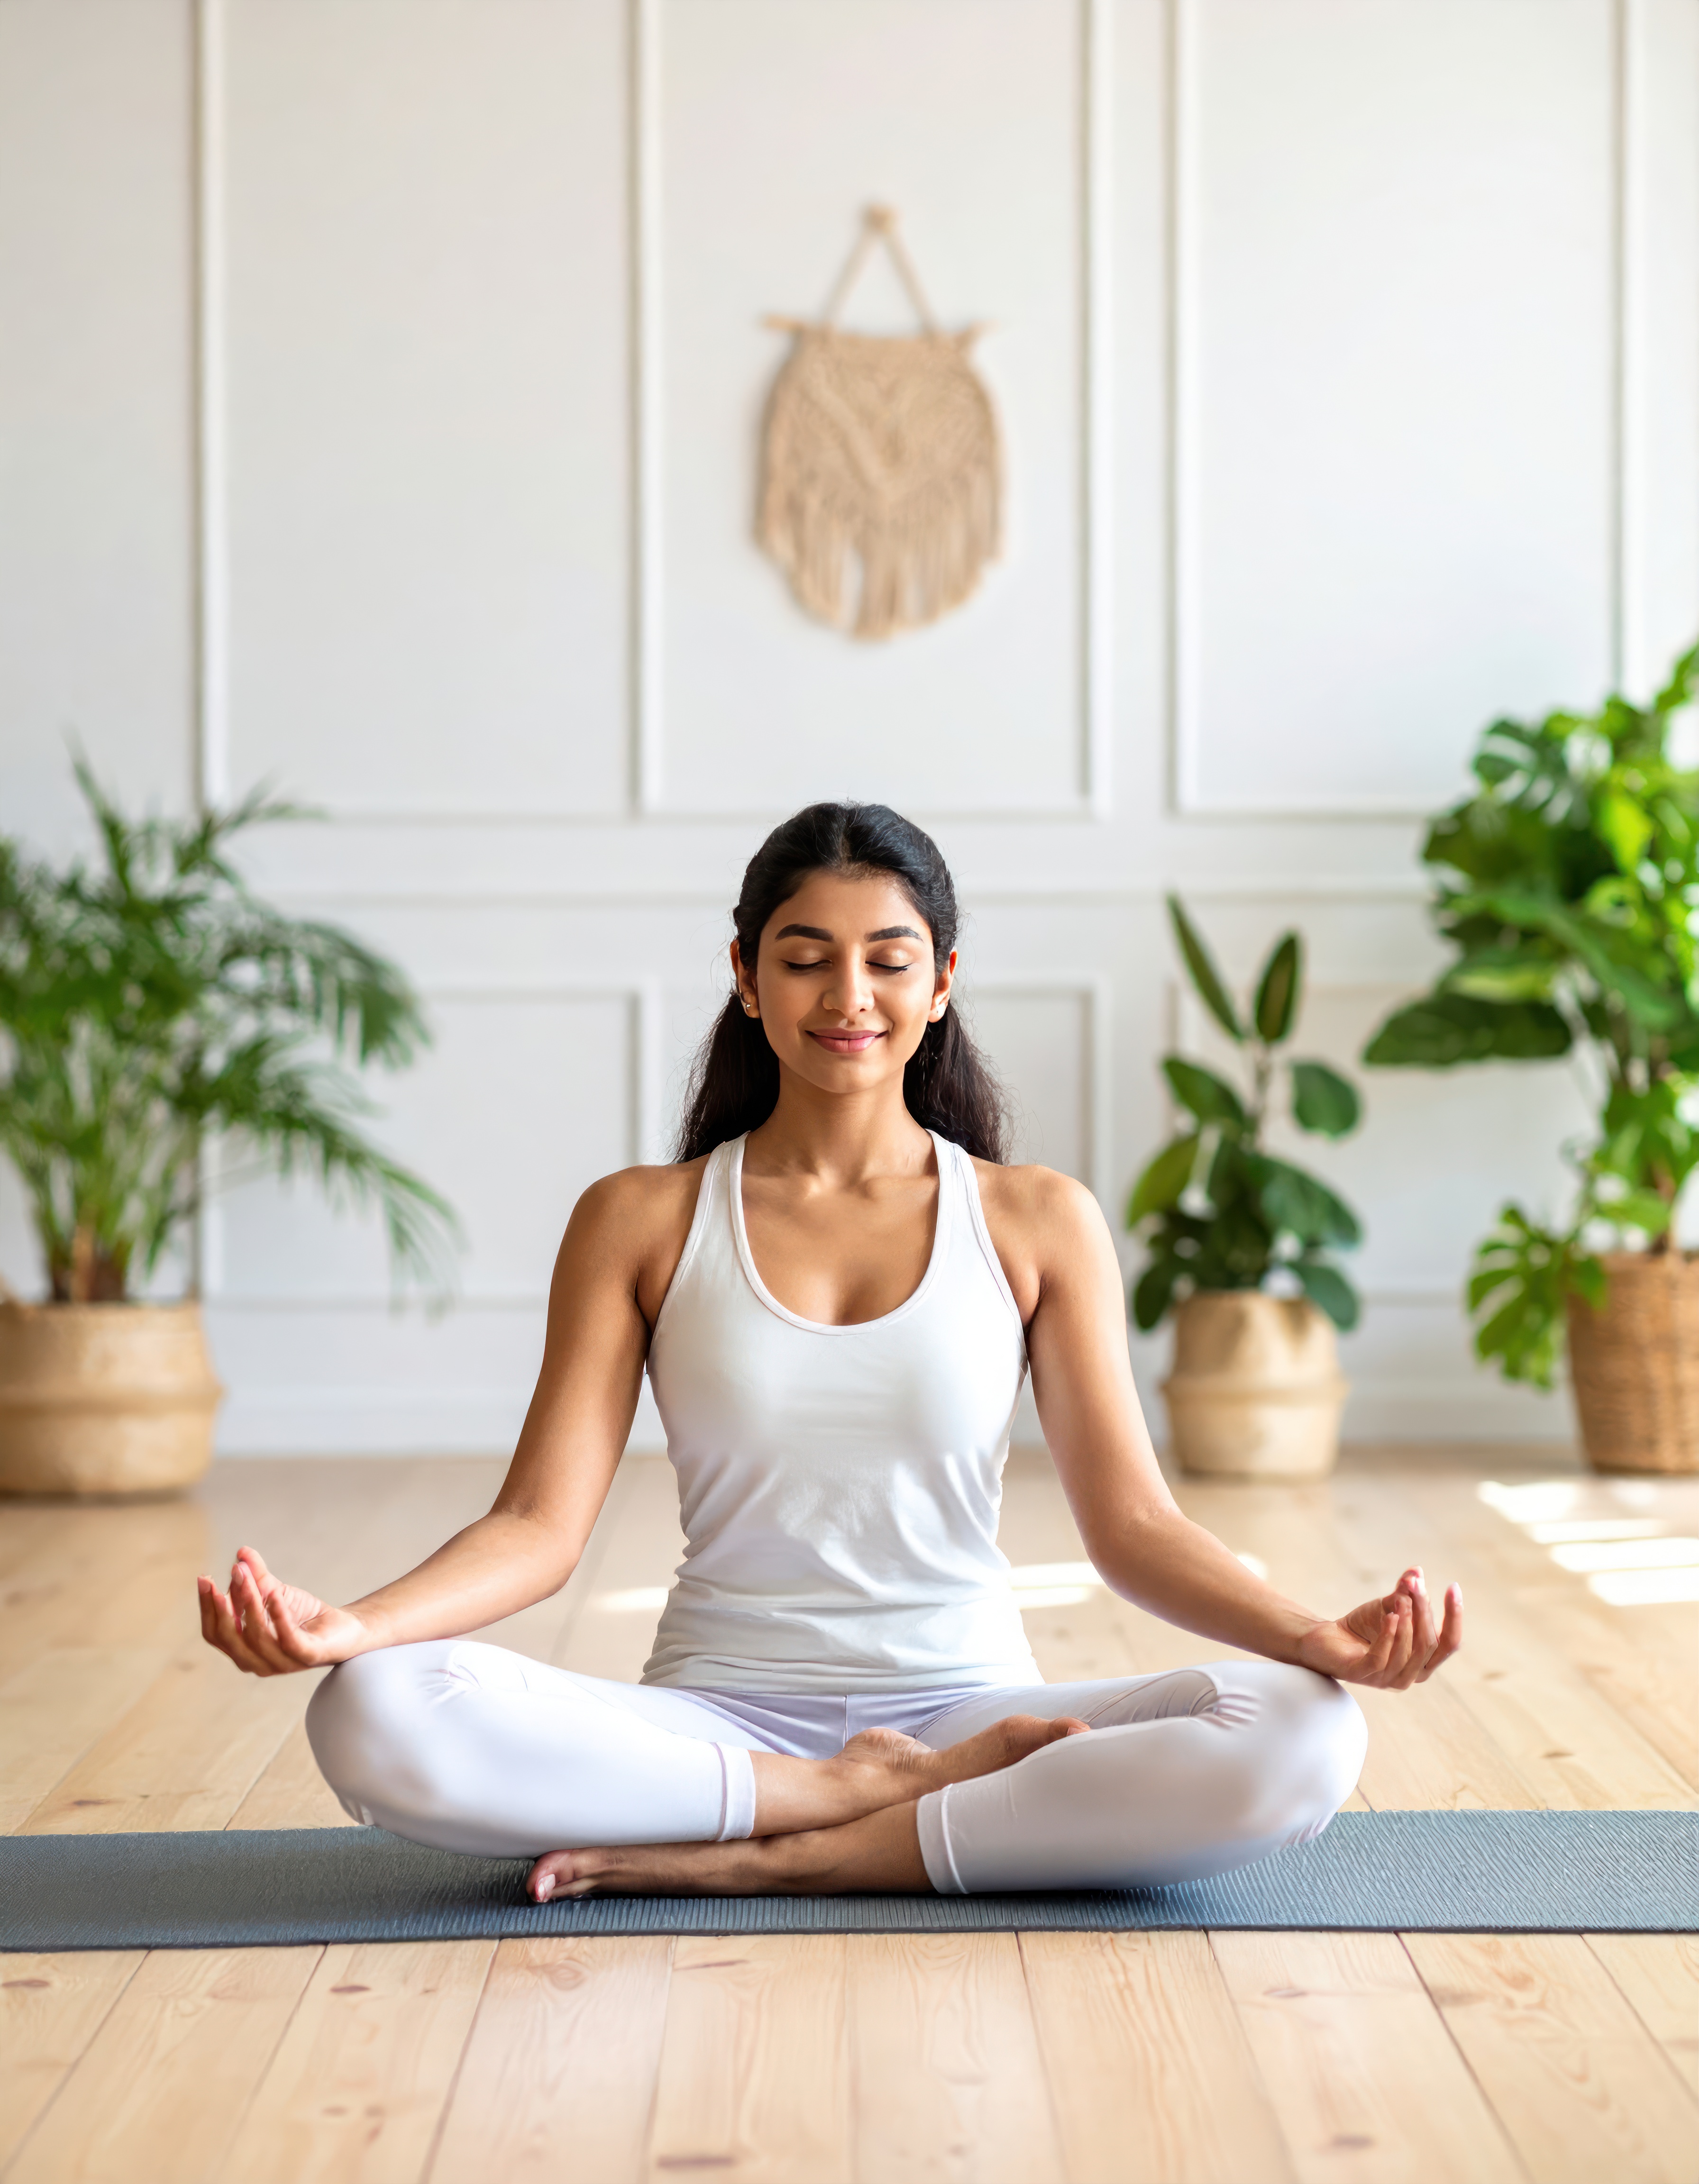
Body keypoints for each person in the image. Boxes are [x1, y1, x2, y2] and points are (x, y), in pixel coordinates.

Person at [198, 802, 1462, 1902]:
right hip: (719, 1716)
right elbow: (537, 1525)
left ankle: (791, 1856)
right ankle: (824, 1800)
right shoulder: (640, 1218)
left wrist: (1319, 1639)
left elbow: (1132, 1527)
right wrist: (350, 1629)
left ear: (944, 980)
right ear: (747, 978)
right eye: (806, 961)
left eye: (887, 961)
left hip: (973, 1707)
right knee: (372, 1713)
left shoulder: (1036, 1221)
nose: (849, 999)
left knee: (1301, 1732)